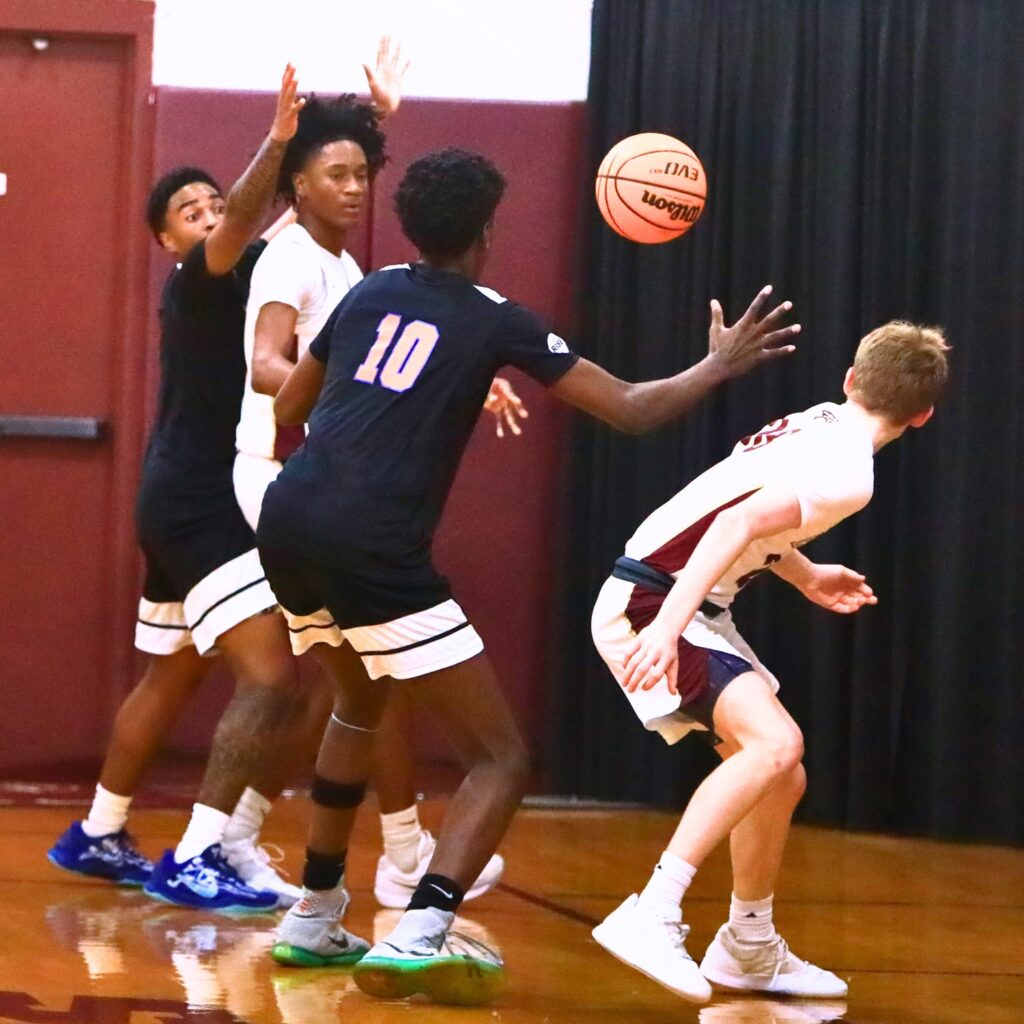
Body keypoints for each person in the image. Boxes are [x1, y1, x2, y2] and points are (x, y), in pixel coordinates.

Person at [253, 147, 800, 1003]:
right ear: (485, 229)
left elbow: (288, 407)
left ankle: (315, 913)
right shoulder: (496, 316)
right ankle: (423, 928)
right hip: (371, 538)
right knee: (500, 756)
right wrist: (717, 366)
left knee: (358, 702)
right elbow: (627, 407)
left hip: (288, 516)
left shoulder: (369, 291)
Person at [589, 322, 950, 1003]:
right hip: (654, 600)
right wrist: (666, 628)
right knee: (777, 743)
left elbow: (741, 511)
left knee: (779, 776)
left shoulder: (814, 420)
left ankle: (748, 945)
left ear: (850, 378)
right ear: (923, 416)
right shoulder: (850, 473)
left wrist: (808, 574)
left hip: (683, 598)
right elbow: (732, 526)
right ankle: (653, 911)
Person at [236, 87, 519, 911]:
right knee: (346, 677)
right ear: (301, 182)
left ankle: (358, 871)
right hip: (280, 468)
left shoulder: (356, 271)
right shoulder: (291, 256)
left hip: (315, 479)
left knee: (358, 685)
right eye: (338, 172)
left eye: (366, 172)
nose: (356, 186)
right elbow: (264, 367)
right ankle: (251, 836)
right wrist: (363, 412)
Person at [47, 66, 309, 913]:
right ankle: (201, 857)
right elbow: (252, 211)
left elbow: (306, 213)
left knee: (170, 678)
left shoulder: (263, 273)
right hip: (203, 500)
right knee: (275, 674)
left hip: (177, 496)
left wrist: (370, 123)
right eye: (189, 212)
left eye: (211, 202)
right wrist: (273, 140)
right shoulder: (200, 278)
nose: (208, 215)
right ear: (171, 243)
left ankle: (98, 829)